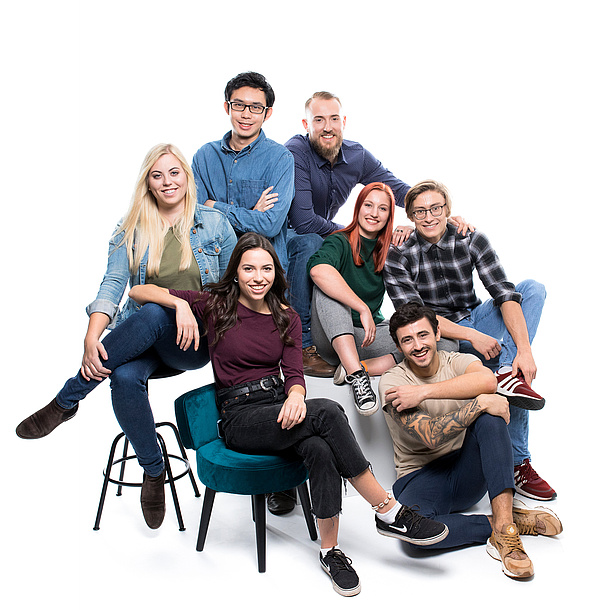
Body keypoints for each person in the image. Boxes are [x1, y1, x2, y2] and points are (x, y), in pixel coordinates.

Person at [129, 232, 450, 597]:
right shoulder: (217, 306)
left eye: (266, 268)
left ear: (275, 273)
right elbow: (138, 292)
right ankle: (389, 510)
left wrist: (296, 394)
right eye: (248, 268)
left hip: (279, 408)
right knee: (328, 411)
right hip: (239, 417)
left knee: (320, 448)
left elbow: (294, 375)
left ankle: (330, 551)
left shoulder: (287, 318)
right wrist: (181, 305)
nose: (257, 276)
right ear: (236, 271)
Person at [16, 144, 237, 529]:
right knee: (123, 376)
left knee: (153, 309)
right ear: (147, 183)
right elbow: (114, 283)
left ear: (187, 177)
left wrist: (184, 305)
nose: (167, 182)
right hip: (141, 337)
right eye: (157, 175)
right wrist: (91, 337)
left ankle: (67, 399)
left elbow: (234, 290)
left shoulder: (214, 224)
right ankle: (154, 472)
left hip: (193, 341)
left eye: (174, 173)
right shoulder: (130, 228)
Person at [383, 179, 555, 501]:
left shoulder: (469, 237)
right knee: (453, 348)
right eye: (420, 211)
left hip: (477, 315)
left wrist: (523, 353)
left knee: (532, 289)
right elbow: (417, 318)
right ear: (410, 216)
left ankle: (507, 372)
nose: (429, 216)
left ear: (449, 210)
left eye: (436, 208)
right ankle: (519, 461)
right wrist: (471, 335)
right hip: (443, 335)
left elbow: (504, 294)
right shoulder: (398, 254)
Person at [285, 92, 471, 376]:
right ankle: (305, 345)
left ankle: (363, 366)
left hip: (366, 332)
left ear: (343, 121)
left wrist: (434, 213)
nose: (327, 127)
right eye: (318, 120)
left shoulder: (356, 155)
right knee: (316, 257)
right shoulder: (296, 151)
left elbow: (397, 189)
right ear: (306, 123)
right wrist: (356, 232)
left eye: (334, 119)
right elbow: (303, 221)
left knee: (444, 343)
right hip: (291, 239)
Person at [379, 302, 562, 580]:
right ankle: (503, 523)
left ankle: (506, 536)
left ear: (438, 334)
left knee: (492, 416)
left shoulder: (456, 361)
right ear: (399, 346)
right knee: (412, 536)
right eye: (408, 340)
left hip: (467, 473)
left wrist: (424, 393)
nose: (417, 345)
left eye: (423, 335)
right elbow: (431, 436)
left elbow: (488, 382)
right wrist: (478, 404)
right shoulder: (393, 381)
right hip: (419, 480)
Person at [307, 182, 404, 416]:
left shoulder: (389, 249)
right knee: (327, 285)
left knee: (434, 338)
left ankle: (360, 367)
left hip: (367, 339)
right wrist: (362, 308)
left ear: (390, 215)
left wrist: (452, 221)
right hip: (332, 337)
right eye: (368, 205)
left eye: (382, 209)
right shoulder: (339, 241)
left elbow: (432, 227)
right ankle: (357, 377)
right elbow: (318, 270)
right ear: (358, 208)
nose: (373, 213)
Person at [192, 71, 294, 271]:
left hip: (264, 272)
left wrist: (215, 207)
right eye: (238, 105)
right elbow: (195, 218)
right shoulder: (204, 156)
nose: (246, 114)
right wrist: (251, 214)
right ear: (227, 107)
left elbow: (270, 225)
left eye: (256, 107)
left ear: (267, 113)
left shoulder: (280, 159)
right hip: (216, 270)